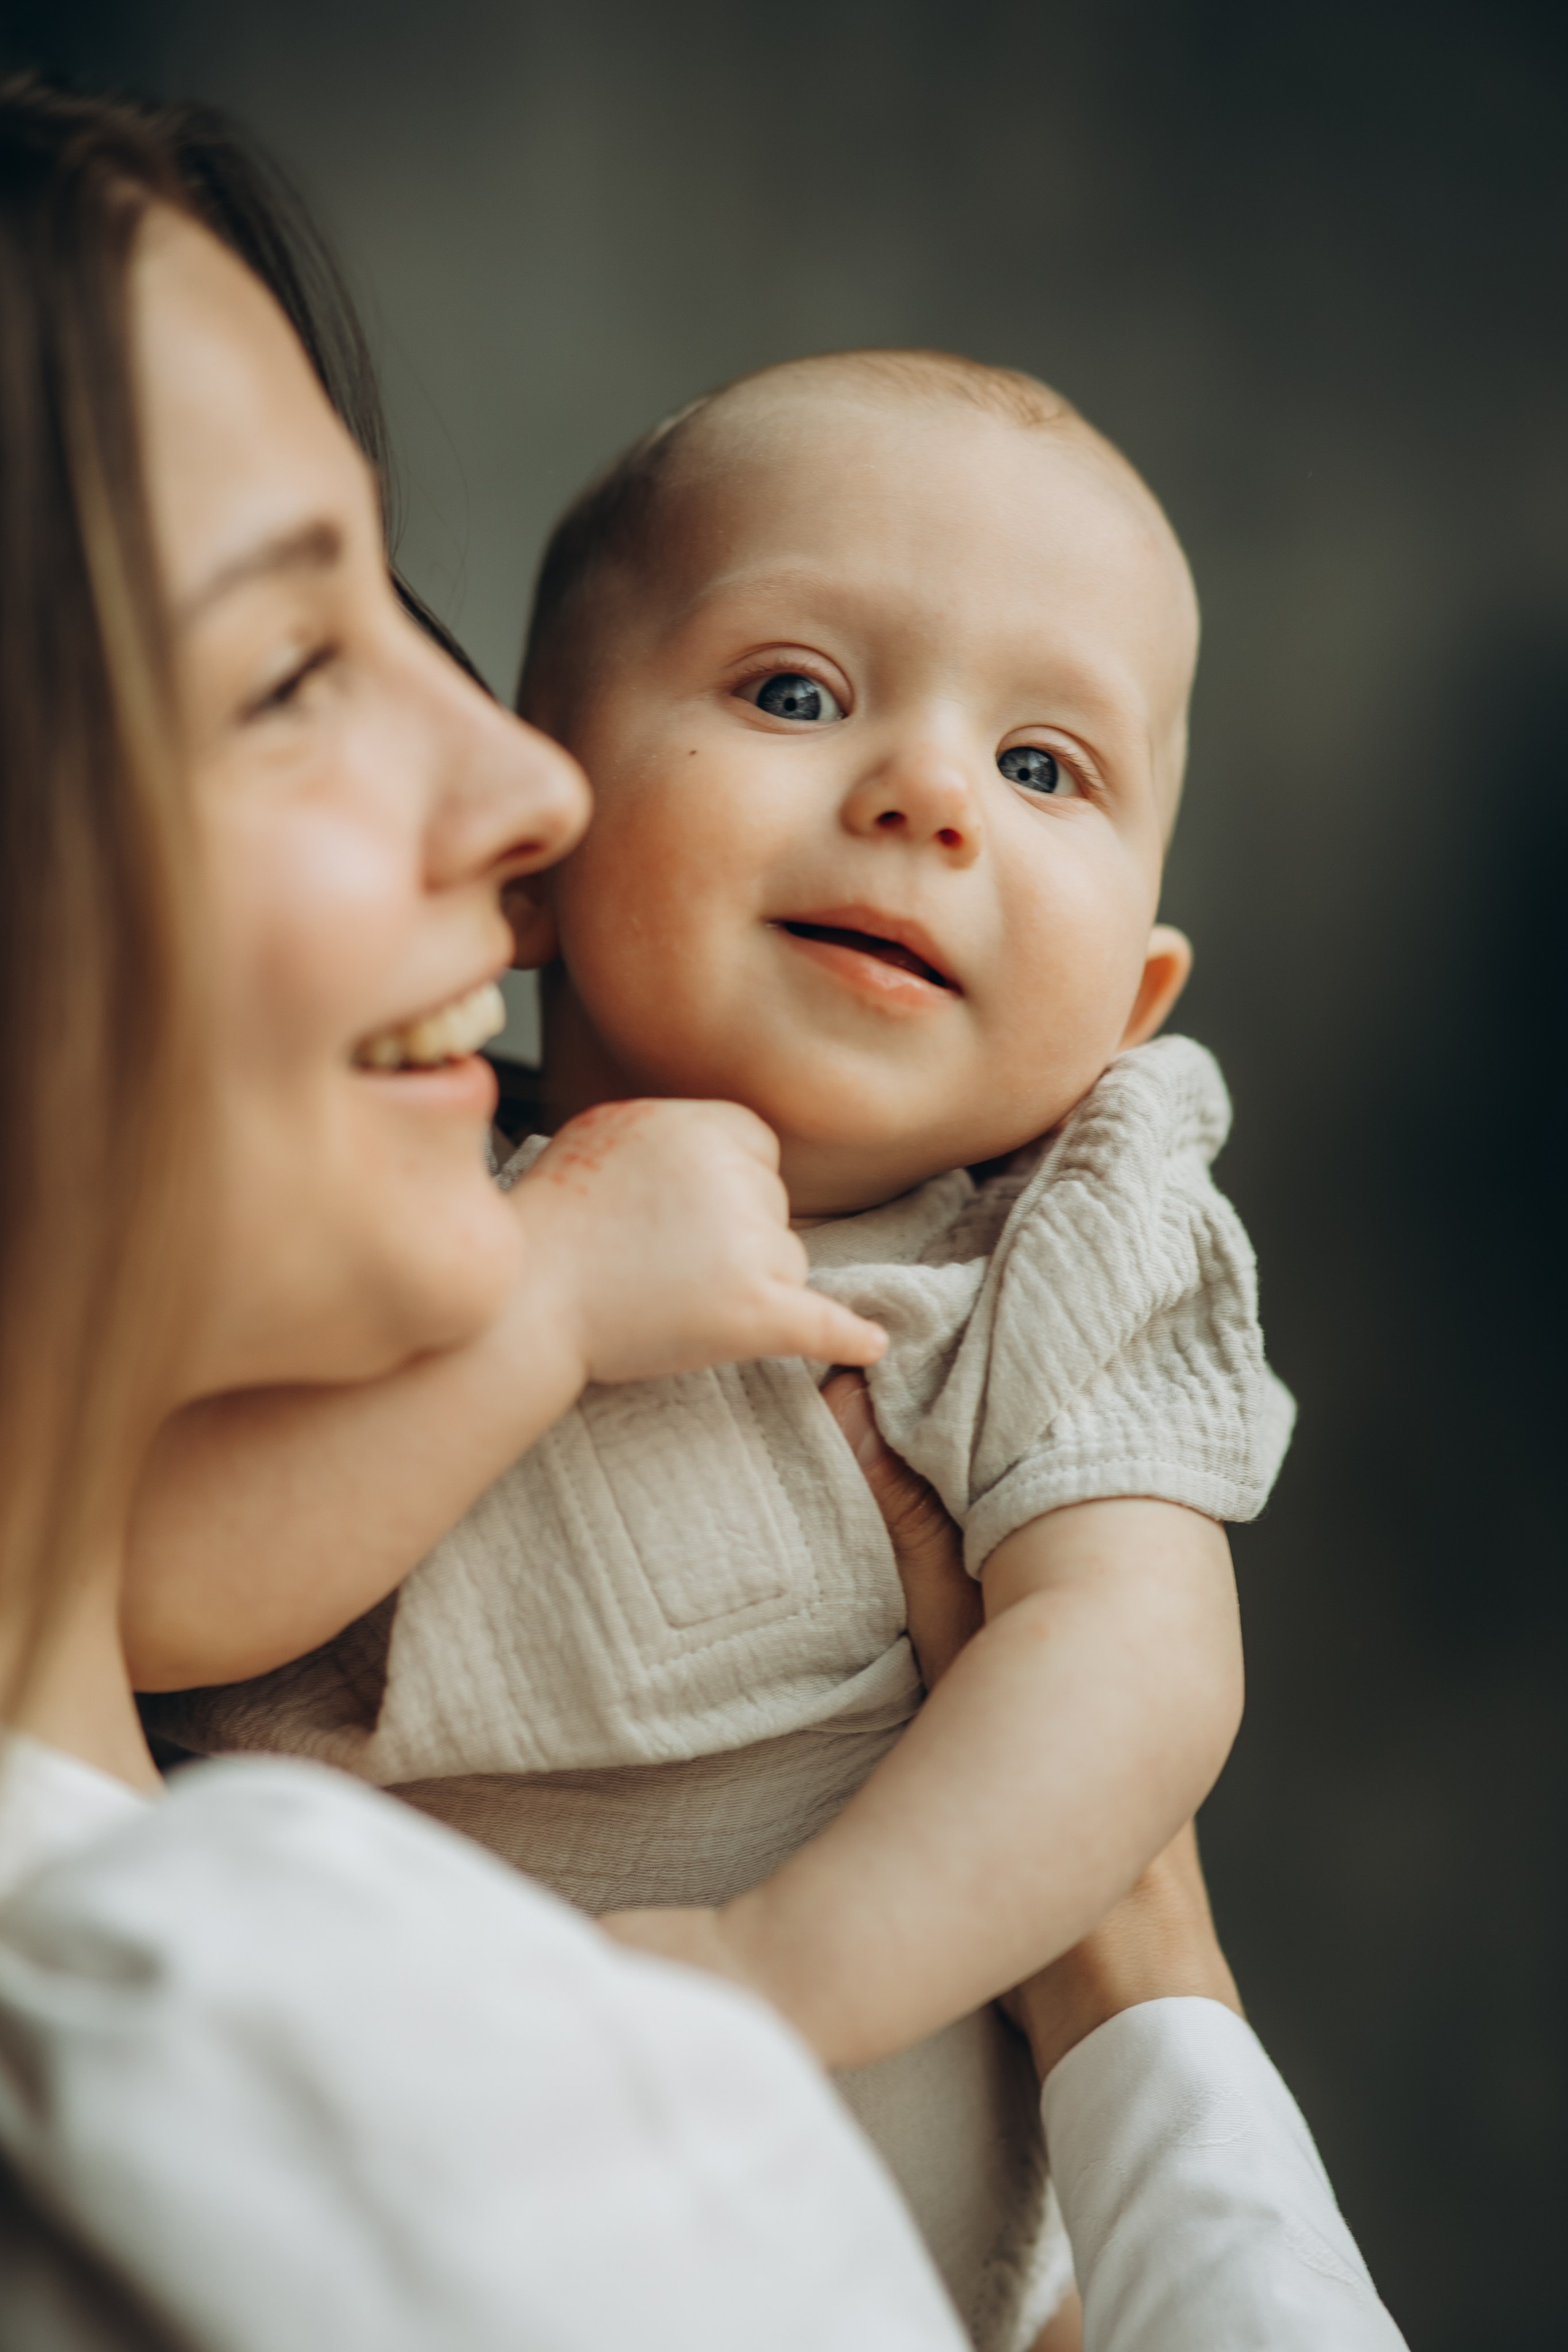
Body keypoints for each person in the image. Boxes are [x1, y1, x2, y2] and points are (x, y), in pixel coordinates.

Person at [0, 74, 1407, 2350]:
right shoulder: (426, 1209)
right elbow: (143, 1580)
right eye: (790, 688)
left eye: (1047, 769)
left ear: (1135, 988)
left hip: (853, 2101)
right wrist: (544, 1300)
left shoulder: (1059, 1225)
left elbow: (1136, 1664)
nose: (929, 797)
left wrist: (781, 1974)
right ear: (566, 809)